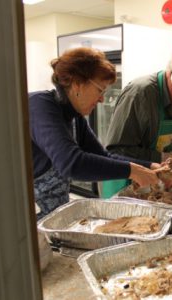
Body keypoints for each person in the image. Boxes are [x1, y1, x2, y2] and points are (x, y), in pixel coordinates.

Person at [29, 47, 159, 219]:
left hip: (54, 215)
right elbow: (72, 163)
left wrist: (149, 166)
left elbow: (103, 156)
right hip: (26, 220)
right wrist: (132, 171)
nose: (102, 99)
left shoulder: (75, 117)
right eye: (100, 90)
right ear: (77, 84)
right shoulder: (39, 106)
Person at [105, 43, 172, 169]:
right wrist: (162, 157)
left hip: (155, 179)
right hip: (127, 180)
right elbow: (116, 150)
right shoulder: (140, 94)